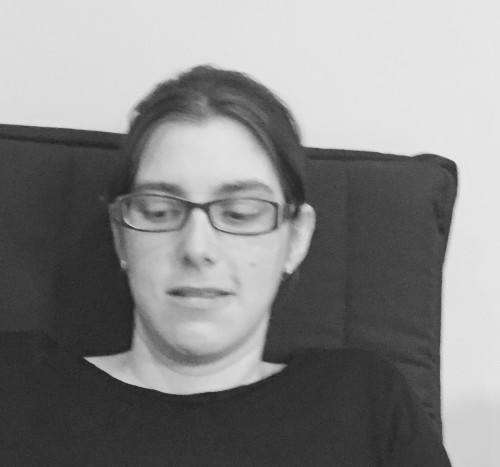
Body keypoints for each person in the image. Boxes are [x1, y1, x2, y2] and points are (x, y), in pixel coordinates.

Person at [0, 65, 451, 466]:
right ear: (121, 233)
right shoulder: (17, 385)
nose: (197, 248)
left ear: (296, 238)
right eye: (160, 211)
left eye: (239, 214)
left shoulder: (365, 403)